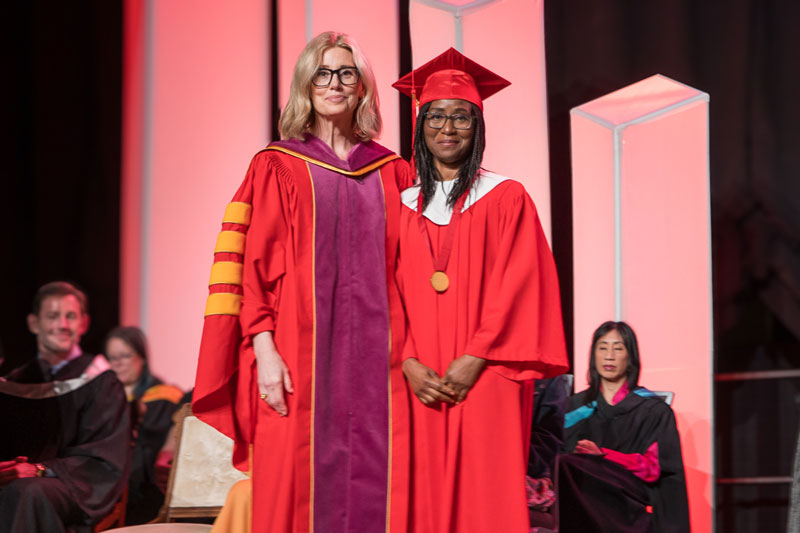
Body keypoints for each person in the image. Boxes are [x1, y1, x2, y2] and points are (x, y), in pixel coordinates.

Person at [192, 31, 411, 533]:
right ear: (305, 85)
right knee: (295, 482)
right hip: (298, 358)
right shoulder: (278, 167)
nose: (335, 83)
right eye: (323, 73)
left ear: (362, 89)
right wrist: (264, 350)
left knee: (381, 483)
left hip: (382, 364)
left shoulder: (393, 173)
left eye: (347, 73)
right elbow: (250, 270)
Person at [392, 48, 569, 533]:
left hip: (488, 371)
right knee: (418, 494)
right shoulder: (399, 205)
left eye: (462, 118)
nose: (448, 128)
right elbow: (385, 292)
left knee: (484, 496)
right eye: (437, 116)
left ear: (479, 127)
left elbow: (522, 285)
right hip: (417, 376)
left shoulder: (507, 197)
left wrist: (476, 356)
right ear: (421, 124)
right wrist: (406, 359)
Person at [0, 281, 130, 533]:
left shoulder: (100, 381)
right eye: (52, 316)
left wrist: (40, 470)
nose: (62, 324)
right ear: (33, 323)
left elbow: (101, 459)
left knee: (28, 492)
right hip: (18, 485)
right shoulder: (16, 382)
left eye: (70, 316)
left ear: (84, 323)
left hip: (74, 489)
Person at [559, 320, 690, 532]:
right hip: (581, 490)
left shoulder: (653, 410)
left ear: (630, 356)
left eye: (618, 348)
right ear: (594, 354)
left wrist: (602, 455)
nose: (609, 355)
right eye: (602, 347)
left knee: (567, 465)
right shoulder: (575, 407)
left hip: (628, 494)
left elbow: (653, 468)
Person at [105, 326, 183, 524]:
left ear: (142, 358)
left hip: (145, 486)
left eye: (125, 355)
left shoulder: (163, 396)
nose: (118, 364)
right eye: (112, 358)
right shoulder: (103, 400)